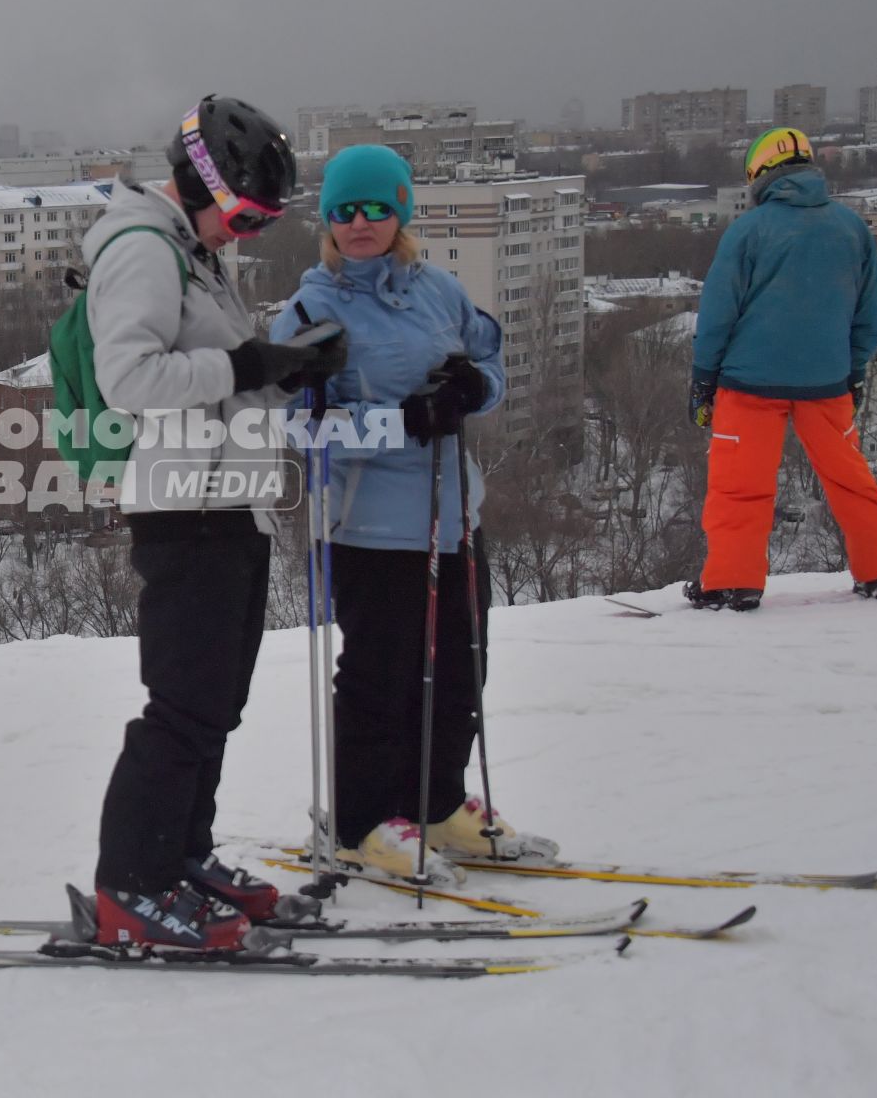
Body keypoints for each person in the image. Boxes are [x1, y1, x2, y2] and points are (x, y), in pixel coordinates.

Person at [86, 96, 345, 950]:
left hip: (229, 501)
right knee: (183, 708)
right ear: (200, 182)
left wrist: (287, 369)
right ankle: (132, 882)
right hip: (182, 507)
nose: (248, 233)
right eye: (243, 214)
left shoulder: (195, 254)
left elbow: (221, 376)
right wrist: (243, 360)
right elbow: (130, 379)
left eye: (264, 221)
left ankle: (181, 856)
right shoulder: (142, 248)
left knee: (216, 706)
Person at [272, 143, 554, 887]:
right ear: (326, 221)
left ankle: (434, 807)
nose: (358, 223)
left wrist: (470, 392)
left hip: (452, 512)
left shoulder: (436, 290)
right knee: (381, 679)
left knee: (463, 668)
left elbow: (488, 361)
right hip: (368, 527)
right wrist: (402, 422)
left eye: (374, 209)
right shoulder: (309, 309)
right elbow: (295, 426)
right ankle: (365, 822)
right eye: (342, 210)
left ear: (400, 214)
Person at [687, 127, 877, 611]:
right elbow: (868, 317)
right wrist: (854, 372)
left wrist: (704, 379)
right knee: (851, 480)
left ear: (759, 174)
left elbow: (719, 312)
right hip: (826, 382)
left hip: (749, 384)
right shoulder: (852, 228)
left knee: (740, 488)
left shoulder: (749, 230)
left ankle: (733, 582)